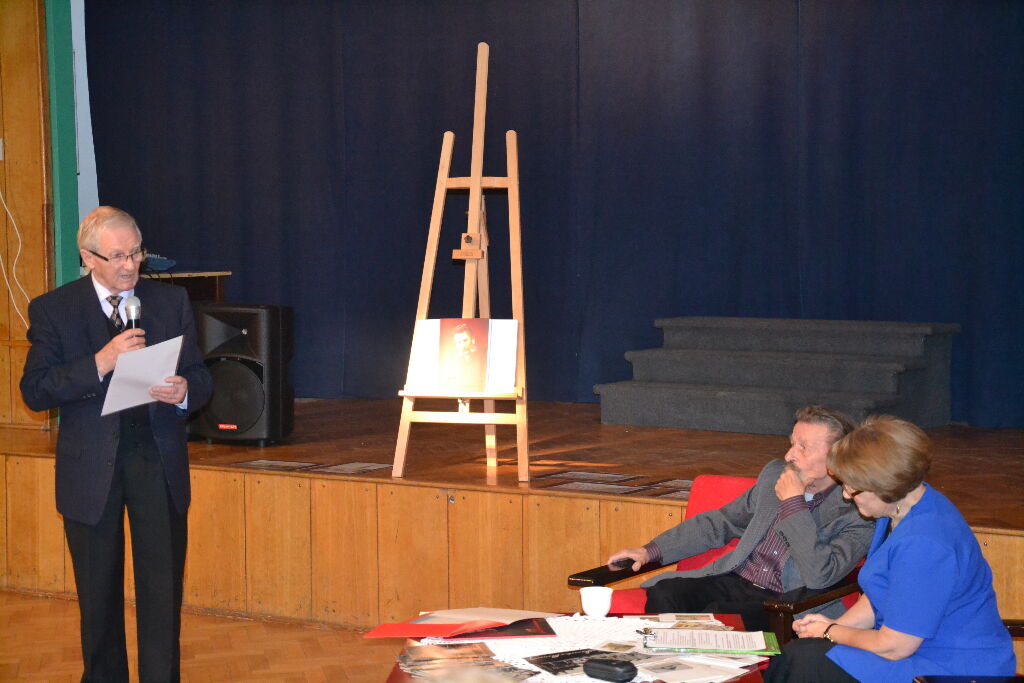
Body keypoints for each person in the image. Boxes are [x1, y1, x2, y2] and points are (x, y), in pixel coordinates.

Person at [20, 206, 213, 682]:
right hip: (91, 469)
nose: (130, 265)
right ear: (89, 258)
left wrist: (184, 392)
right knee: (98, 596)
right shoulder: (54, 309)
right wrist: (101, 362)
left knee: (162, 591)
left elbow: (200, 374)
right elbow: (36, 390)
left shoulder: (170, 301)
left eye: (136, 253)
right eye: (118, 256)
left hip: (156, 460)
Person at [765, 415, 1016, 682]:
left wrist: (830, 631)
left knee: (804, 661)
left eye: (853, 488)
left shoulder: (925, 543)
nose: (846, 495)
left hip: (949, 669)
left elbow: (895, 647)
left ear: (883, 486)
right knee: (801, 655)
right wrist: (835, 625)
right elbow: (882, 592)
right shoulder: (902, 508)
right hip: (915, 652)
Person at [607, 406, 875, 631]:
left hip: (783, 602)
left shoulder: (858, 510)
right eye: (792, 443)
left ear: (837, 456)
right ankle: (668, 666)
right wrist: (650, 550)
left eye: (803, 448)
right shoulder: (775, 474)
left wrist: (794, 504)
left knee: (718, 616)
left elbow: (820, 575)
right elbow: (722, 522)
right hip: (736, 579)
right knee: (666, 593)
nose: (789, 455)